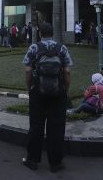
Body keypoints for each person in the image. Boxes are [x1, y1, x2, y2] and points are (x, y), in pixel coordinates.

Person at [22, 22, 72, 172]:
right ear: (53, 33)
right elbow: (67, 72)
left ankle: (32, 160)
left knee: (36, 125)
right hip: (58, 93)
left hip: (38, 92)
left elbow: (28, 70)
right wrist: (65, 89)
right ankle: (55, 163)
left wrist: (29, 87)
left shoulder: (34, 48)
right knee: (56, 127)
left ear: (40, 33)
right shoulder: (61, 48)